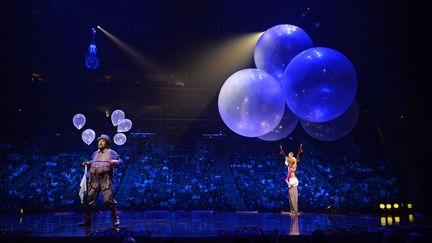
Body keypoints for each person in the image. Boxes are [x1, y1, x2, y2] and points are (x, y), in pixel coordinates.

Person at [78, 134, 123, 228]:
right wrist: (87, 164)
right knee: (89, 200)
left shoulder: (111, 152)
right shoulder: (95, 153)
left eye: (102, 141)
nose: (100, 142)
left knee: (109, 200)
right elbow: (92, 162)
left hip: (105, 178)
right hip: (94, 178)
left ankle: (116, 219)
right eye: (99, 141)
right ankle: (87, 221)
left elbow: (120, 162)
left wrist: (115, 162)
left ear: (106, 143)